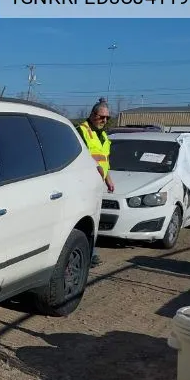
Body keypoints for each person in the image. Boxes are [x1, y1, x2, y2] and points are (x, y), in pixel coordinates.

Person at [77, 98, 114, 267]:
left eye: (107, 118)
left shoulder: (104, 136)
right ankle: (88, 254)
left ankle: (90, 252)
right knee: (83, 220)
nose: (104, 121)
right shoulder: (82, 131)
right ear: (92, 115)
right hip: (83, 184)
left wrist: (108, 179)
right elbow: (83, 158)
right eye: (101, 117)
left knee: (94, 220)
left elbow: (104, 160)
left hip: (97, 185)